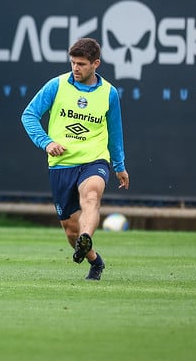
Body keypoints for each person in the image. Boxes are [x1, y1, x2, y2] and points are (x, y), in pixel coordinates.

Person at [21, 38, 129, 280]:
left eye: (81, 63)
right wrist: (47, 142)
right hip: (62, 165)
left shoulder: (109, 93)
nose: (76, 68)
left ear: (96, 64)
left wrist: (119, 166)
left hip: (94, 161)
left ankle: (87, 236)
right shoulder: (56, 86)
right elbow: (29, 115)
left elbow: (115, 133)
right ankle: (94, 259)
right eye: (73, 63)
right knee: (70, 231)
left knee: (91, 197)